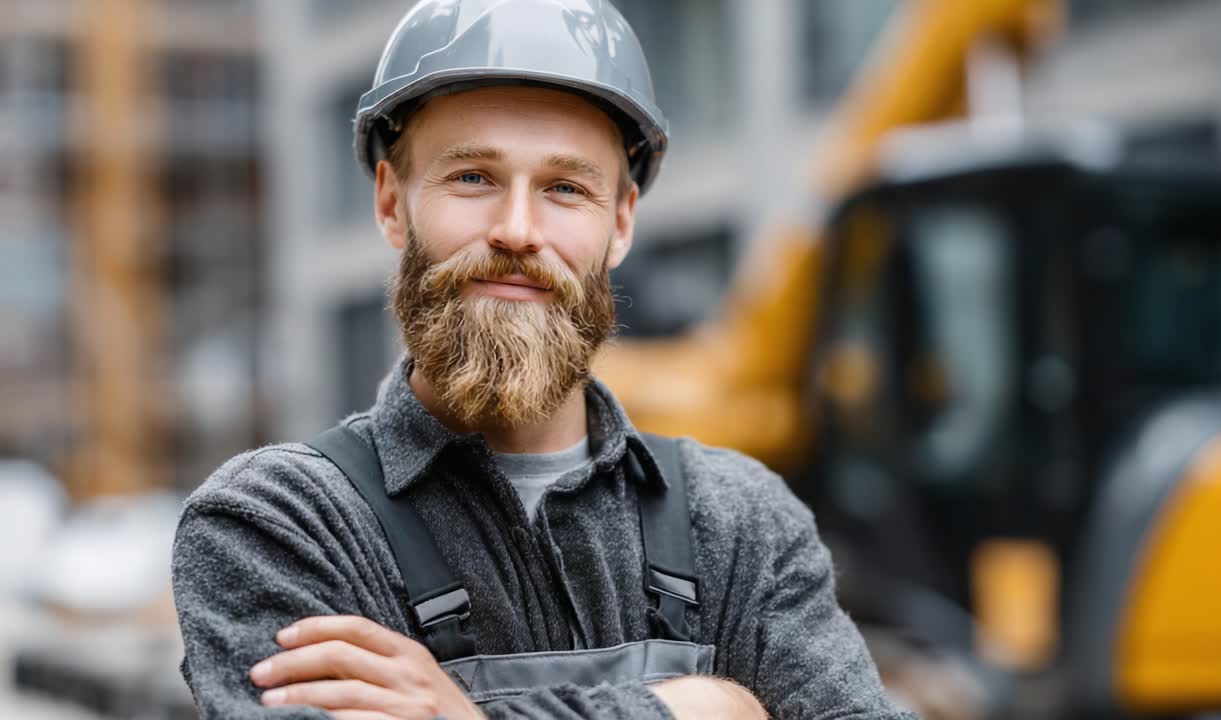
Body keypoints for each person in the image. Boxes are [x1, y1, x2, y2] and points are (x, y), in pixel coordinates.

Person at [171, 1, 915, 718]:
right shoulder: (279, 524)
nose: (518, 230)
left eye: (565, 188)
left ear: (620, 222)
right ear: (392, 203)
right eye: (473, 177)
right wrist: (711, 706)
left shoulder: (742, 523)